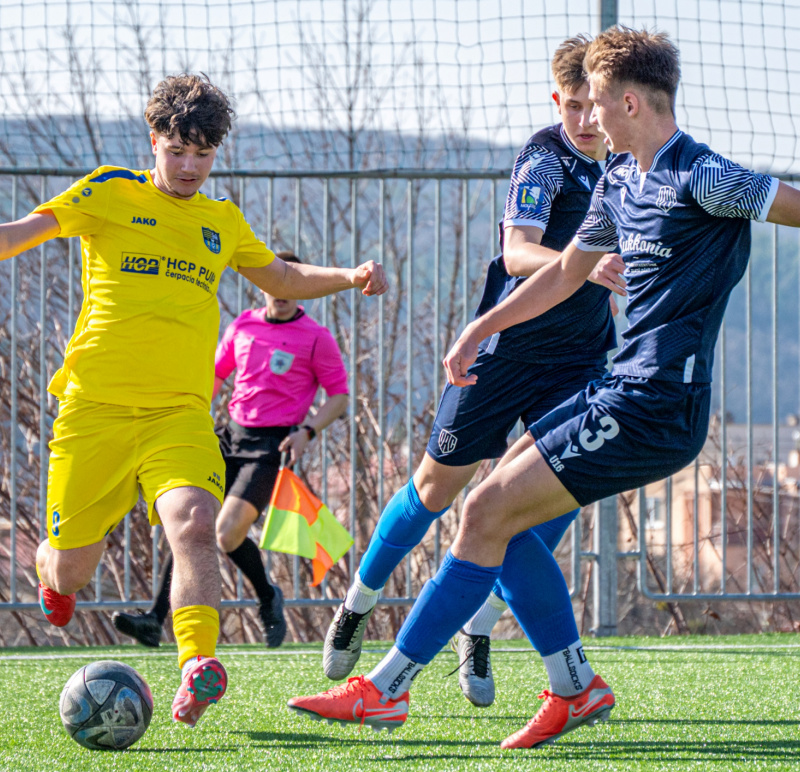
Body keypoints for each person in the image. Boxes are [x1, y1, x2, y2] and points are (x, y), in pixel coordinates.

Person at [289, 26, 800, 748]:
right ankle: (570, 685)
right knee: (489, 517)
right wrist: (477, 330)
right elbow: (561, 273)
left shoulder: (704, 176)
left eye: (596, 103)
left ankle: (386, 690)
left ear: (626, 102)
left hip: (661, 404)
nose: (587, 118)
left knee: (490, 509)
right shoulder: (620, 181)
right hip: (619, 388)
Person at [5, 74, 386, 728]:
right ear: (154, 141)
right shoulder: (110, 191)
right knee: (71, 568)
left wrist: (350, 276)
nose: (188, 167)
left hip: (176, 417)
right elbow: (26, 231)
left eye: (202, 154)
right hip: (93, 412)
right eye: (177, 150)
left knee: (193, 525)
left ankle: (196, 665)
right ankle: (53, 576)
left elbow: (283, 277)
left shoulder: (220, 219)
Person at [323, 35, 617, 710]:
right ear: (557, 101)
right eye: (570, 106)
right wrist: (581, 262)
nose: (583, 121)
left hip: (578, 364)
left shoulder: (631, 164)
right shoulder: (545, 160)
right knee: (431, 490)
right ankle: (359, 602)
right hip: (505, 354)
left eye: (592, 107)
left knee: (540, 503)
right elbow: (516, 253)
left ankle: (477, 629)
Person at [112, 250, 349, 650]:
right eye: (277, 282)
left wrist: (309, 430)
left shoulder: (316, 338)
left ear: (301, 290)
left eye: (293, 284)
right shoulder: (242, 326)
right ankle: (154, 619)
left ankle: (267, 596)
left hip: (271, 446)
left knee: (225, 532)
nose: (283, 292)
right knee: (189, 521)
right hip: (227, 436)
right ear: (264, 286)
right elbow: (214, 375)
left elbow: (339, 396)